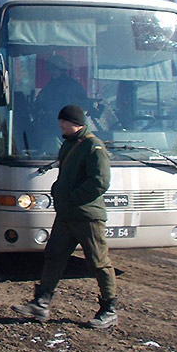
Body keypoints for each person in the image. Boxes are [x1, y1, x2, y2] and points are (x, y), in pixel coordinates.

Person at [12, 104, 118, 329]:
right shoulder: (70, 144)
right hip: (67, 214)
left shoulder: (93, 147)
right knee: (54, 256)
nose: (60, 125)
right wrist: (59, 191)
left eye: (64, 121)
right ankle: (41, 303)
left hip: (87, 216)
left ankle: (109, 309)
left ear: (76, 123)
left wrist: (72, 197)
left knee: (98, 262)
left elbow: (100, 182)